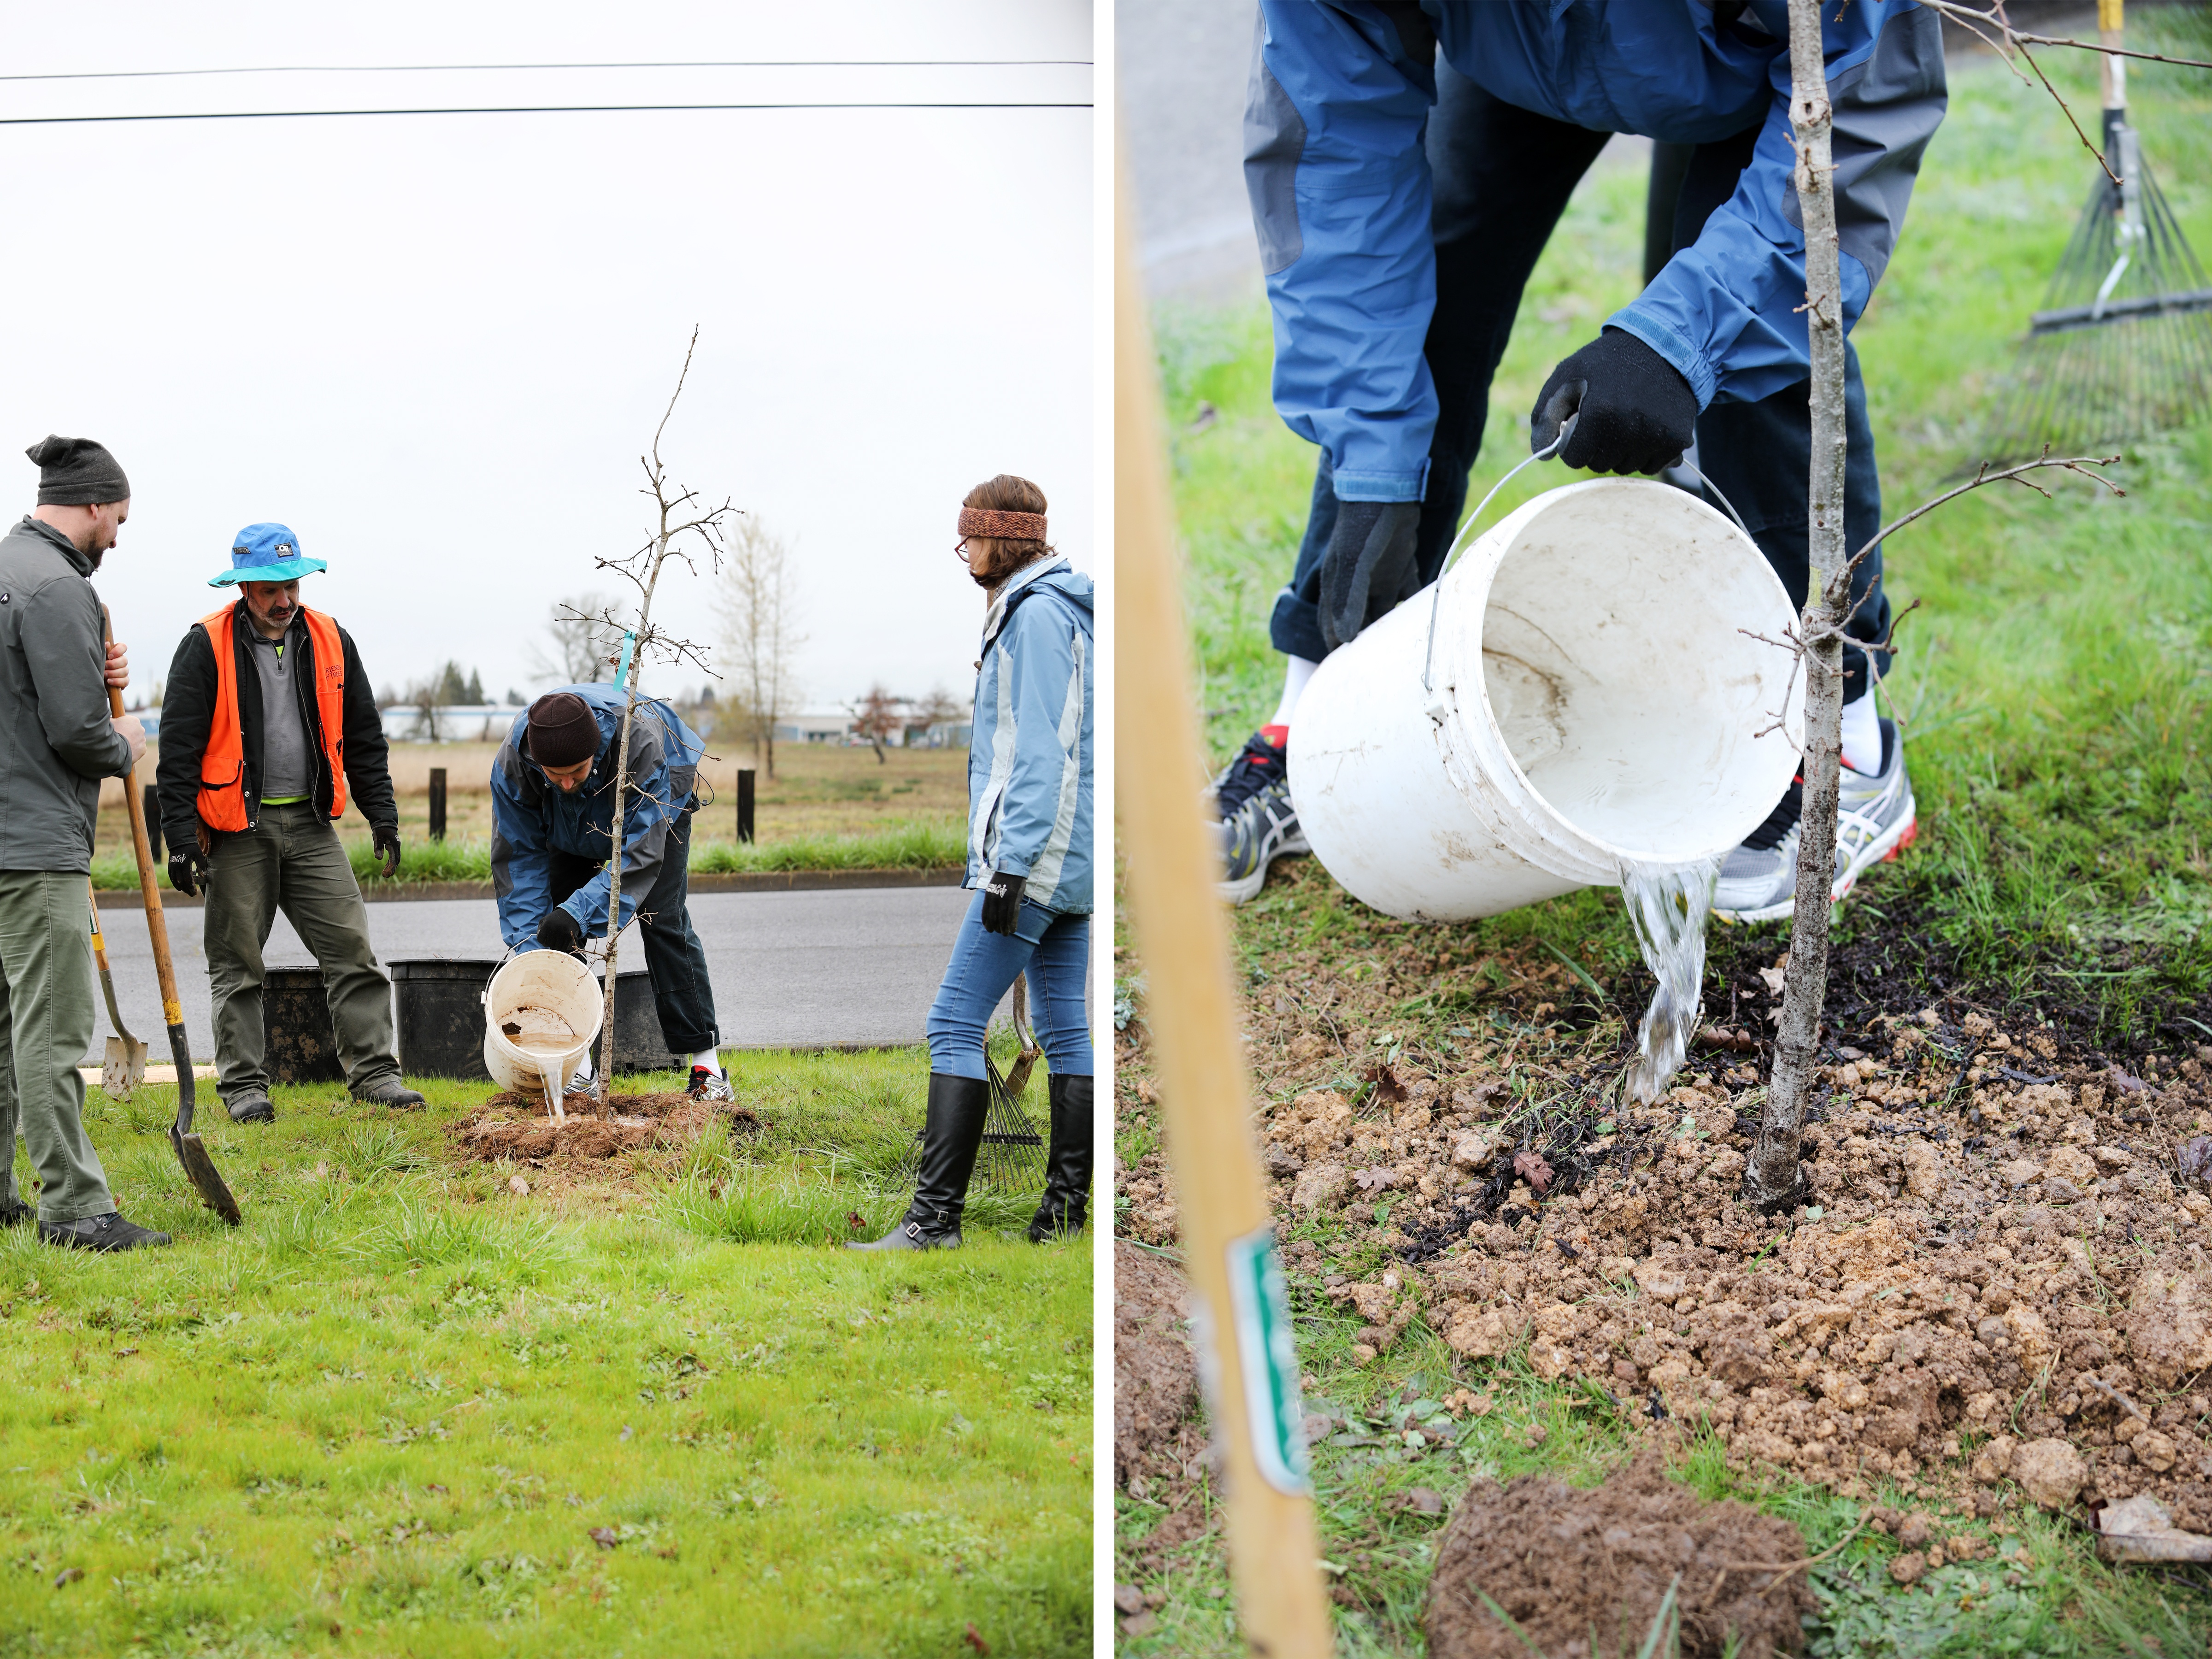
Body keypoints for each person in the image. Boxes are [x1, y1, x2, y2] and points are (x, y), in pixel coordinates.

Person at [1215, 1, 1940, 918]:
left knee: (1767, 344)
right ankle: (1322, 708)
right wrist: (1373, 466)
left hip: (1757, 55)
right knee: (1431, 280)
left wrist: (1682, 344)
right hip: (1520, 50)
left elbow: (1866, 87)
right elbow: (1336, 156)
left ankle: (1847, 745)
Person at [852, 475, 1093, 1252]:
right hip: (1072, 856)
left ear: (1002, 537)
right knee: (1064, 1026)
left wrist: (1013, 867)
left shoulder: (1037, 620)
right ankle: (1061, 1219)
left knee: (953, 1022)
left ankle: (934, 1222)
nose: (966, 556)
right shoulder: (1052, 612)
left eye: (971, 540)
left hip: (1038, 858)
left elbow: (1042, 756)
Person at [157, 524, 421, 1121]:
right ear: (244, 585)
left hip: (309, 828)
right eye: (272, 588)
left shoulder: (331, 638)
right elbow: (177, 754)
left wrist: (381, 814)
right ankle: (245, 1088)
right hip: (235, 833)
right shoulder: (205, 645)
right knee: (238, 965)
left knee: (352, 951)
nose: (285, 600)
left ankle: (376, 1075)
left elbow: (363, 738)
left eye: (292, 584)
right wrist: (178, 840)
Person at [0, 436, 166, 1248]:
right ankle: (73, 1208)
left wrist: (93, 672)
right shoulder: (59, 588)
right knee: (52, 1029)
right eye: (119, 519)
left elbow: (28, 693)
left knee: (6, 1025)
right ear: (95, 504)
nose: (117, 536)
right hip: (32, 848)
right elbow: (75, 732)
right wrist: (125, 736)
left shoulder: (9, 571)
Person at [489, 684, 730, 1100]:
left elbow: (639, 855)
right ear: (536, 760)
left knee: (663, 919)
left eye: (576, 773)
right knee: (551, 930)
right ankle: (577, 1070)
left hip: (657, 801)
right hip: (565, 827)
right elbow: (519, 859)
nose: (565, 784)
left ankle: (707, 1068)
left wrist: (583, 912)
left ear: (596, 754)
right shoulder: (516, 762)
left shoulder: (638, 745)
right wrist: (533, 947)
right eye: (555, 775)